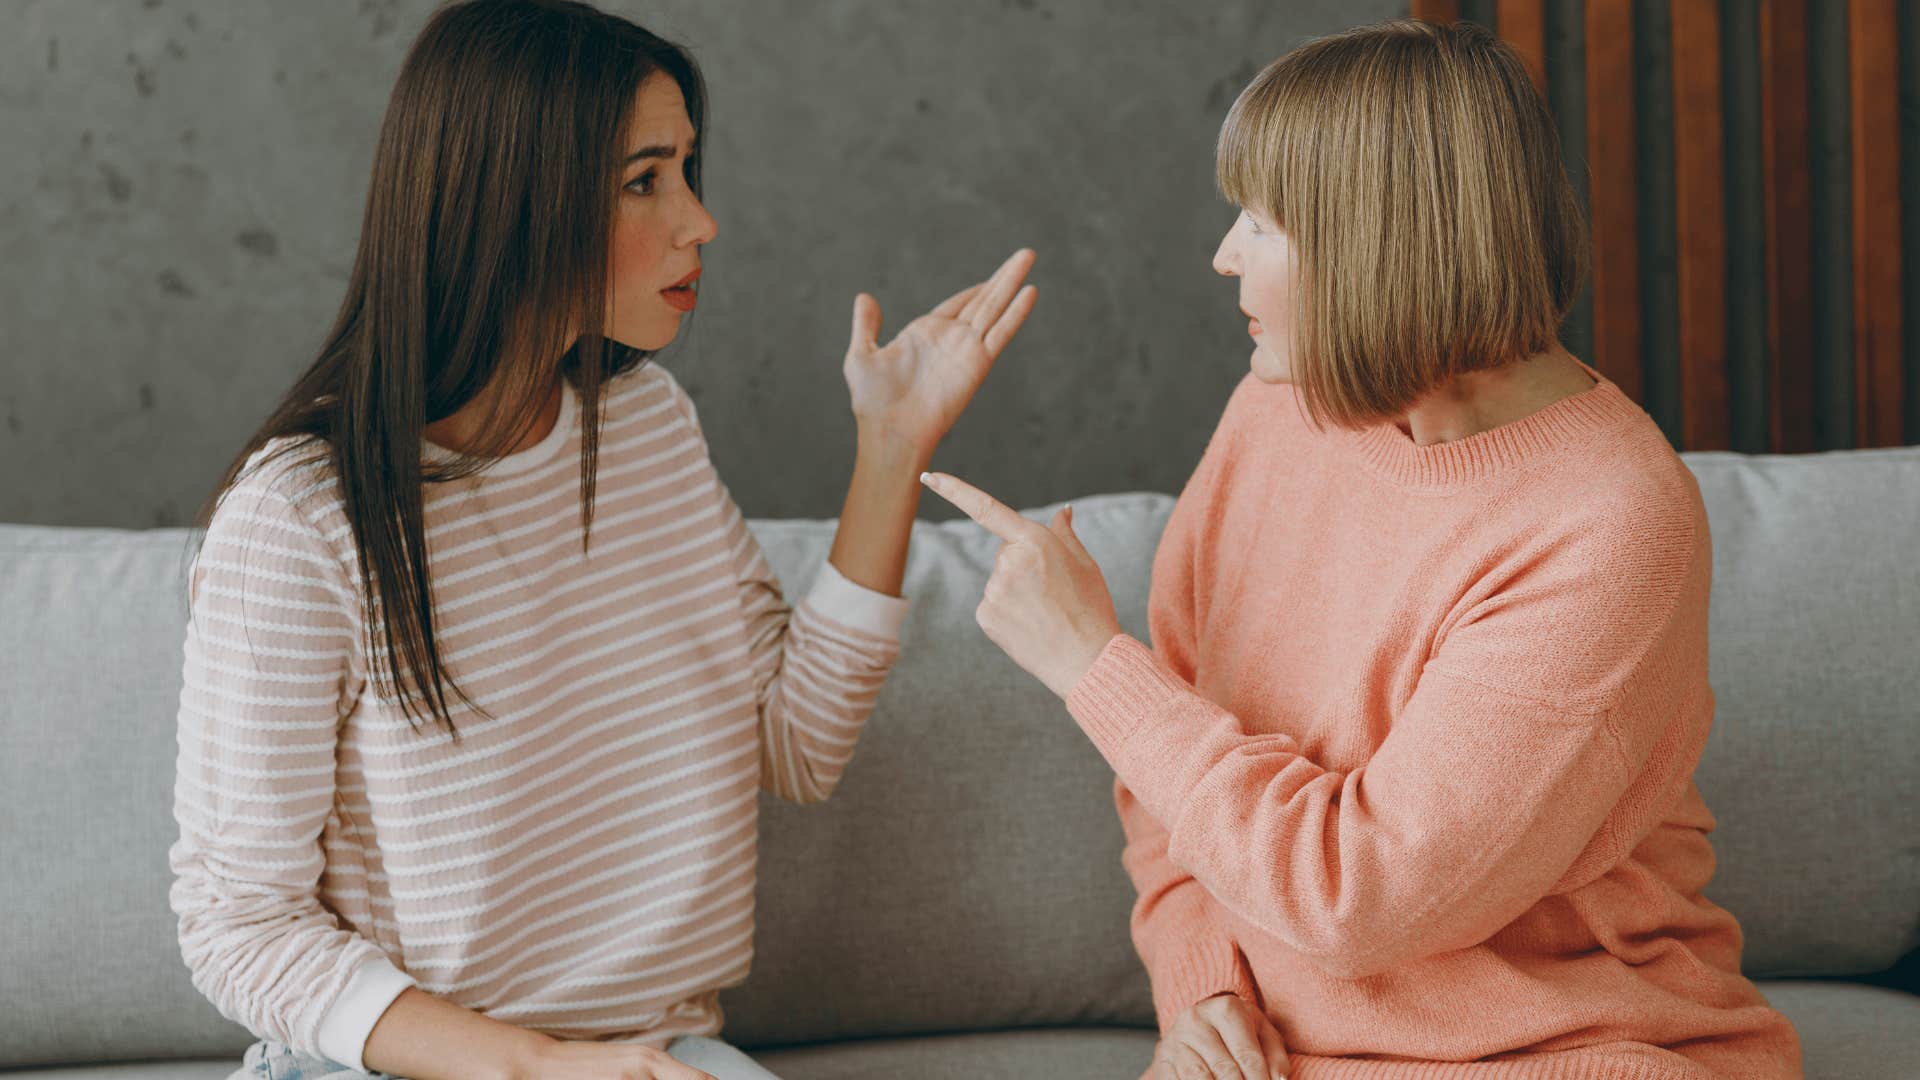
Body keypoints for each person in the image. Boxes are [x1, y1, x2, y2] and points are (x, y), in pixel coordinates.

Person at [922, 18, 1802, 1080]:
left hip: (1562, 1052)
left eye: (1261, 222)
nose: (1223, 255)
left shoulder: (1609, 524)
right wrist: (1202, 984)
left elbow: (1361, 899)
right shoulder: (1277, 413)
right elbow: (1167, 773)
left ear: (1375, 242)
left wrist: (1089, 664)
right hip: (1266, 1054)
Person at [168, 2, 1036, 1078]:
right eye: (644, 181)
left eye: (687, 170)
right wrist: (538, 1065)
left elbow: (798, 743)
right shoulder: (303, 517)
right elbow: (238, 926)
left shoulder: (645, 427)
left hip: (651, 1055)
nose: (699, 221)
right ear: (511, 202)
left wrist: (892, 447)